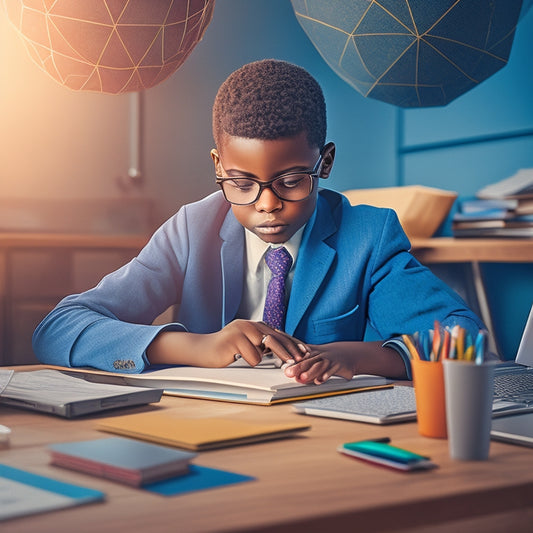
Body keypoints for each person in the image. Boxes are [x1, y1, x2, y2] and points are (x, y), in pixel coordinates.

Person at [33, 59, 484, 385]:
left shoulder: (367, 236)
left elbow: (464, 338)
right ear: (218, 165)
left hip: (318, 441)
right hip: (197, 430)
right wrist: (195, 347)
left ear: (324, 162)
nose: (267, 204)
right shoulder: (192, 231)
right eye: (242, 183)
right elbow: (59, 328)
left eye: (290, 181)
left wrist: (357, 355)